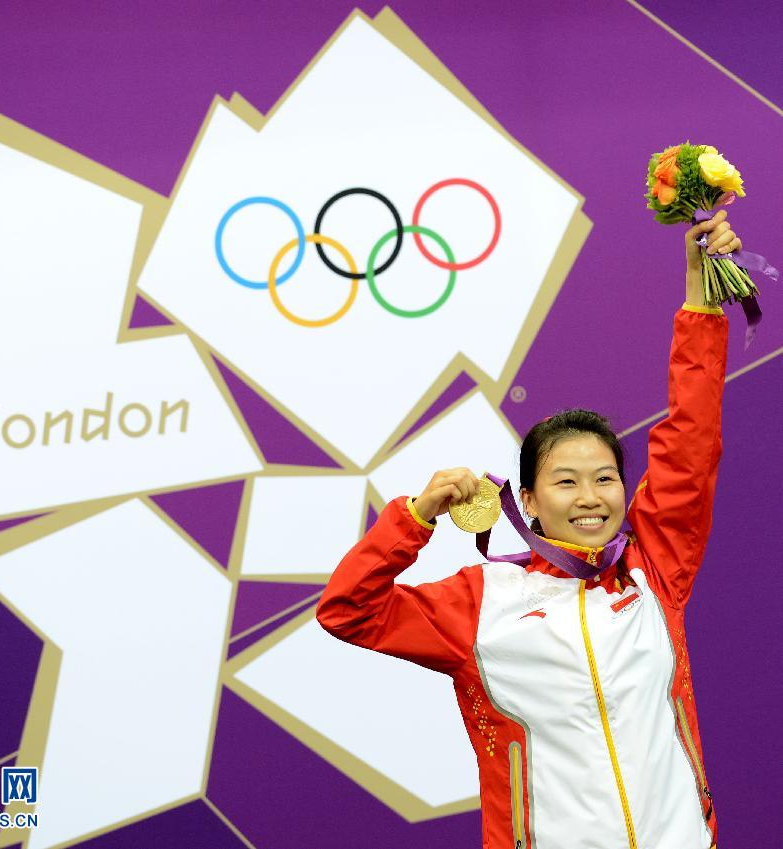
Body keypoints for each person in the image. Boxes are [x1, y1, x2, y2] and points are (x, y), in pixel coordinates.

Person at [316, 210, 741, 849]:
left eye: (605, 478)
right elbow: (348, 610)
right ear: (529, 503)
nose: (591, 498)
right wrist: (415, 517)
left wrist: (701, 311)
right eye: (566, 481)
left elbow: (690, 442)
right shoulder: (478, 604)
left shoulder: (654, 568)